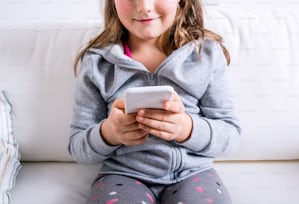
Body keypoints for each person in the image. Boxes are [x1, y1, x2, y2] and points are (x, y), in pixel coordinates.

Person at [69, 0, 242, 203]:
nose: (144, 6)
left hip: (193, 173)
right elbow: (77, 147)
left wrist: (187, 128)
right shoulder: (97, 64)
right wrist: (109, 133)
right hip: (123, 175)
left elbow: (231, 135)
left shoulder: (206, 55)